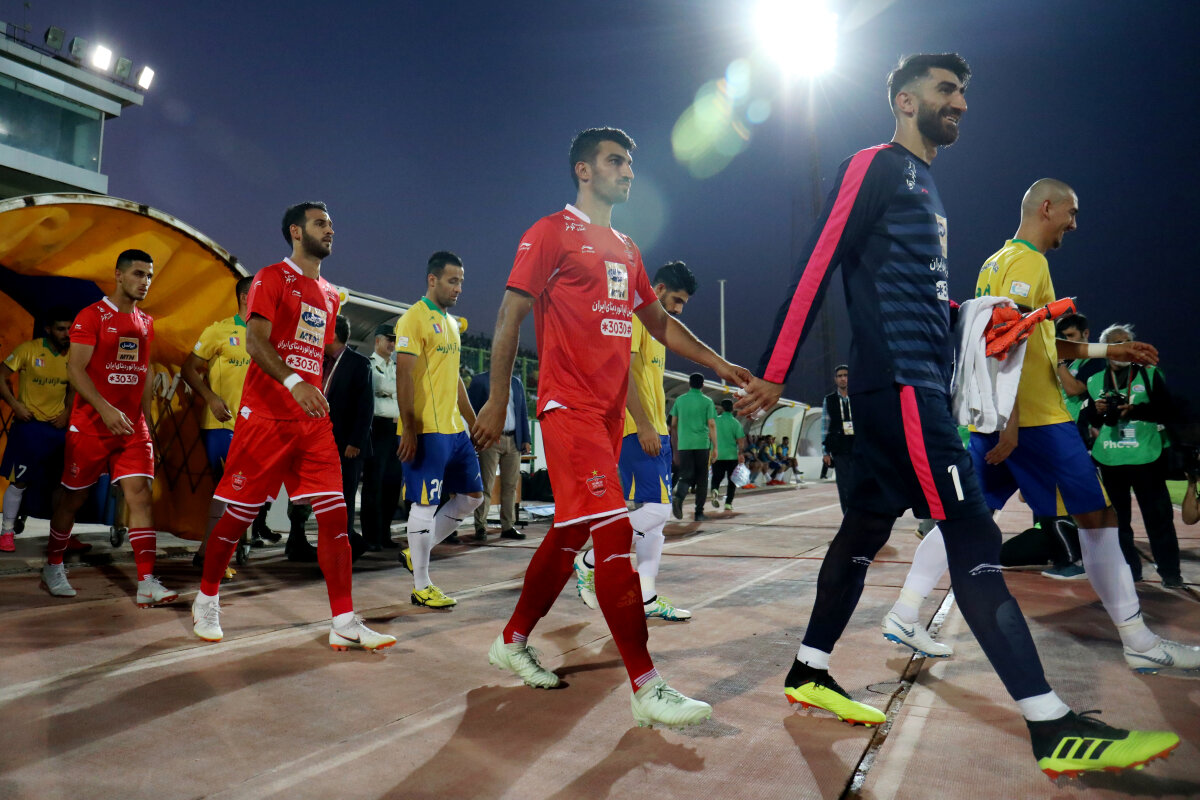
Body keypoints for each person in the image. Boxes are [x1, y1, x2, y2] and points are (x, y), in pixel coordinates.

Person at [737, 55, 1179, 778]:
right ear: (905, 101)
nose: (962, 103)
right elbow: (819, 259)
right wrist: (774, 366)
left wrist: (978, 317)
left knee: (866, 526)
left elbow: (920, 300)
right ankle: (1050, 724)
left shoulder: (929, 187)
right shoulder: (876, 165)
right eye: (947, 89)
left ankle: (809, 669)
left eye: (964, 92)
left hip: (912, 384)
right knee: (973, 532)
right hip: (904, 389)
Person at [473, 127, 749, 729]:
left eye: (630, 163)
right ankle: (647, 686)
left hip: (606, 417)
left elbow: (660, 325)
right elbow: (509, 315)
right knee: (615, 531)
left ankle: (512, 639)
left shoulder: (626, 247)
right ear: (584, 170)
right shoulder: (550, 233)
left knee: (570, 533)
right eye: (615, 161)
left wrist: (720, 364)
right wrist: (496, 400)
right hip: (566, 408)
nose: (628, 171)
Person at [883, 182, 1197, 675]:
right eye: (1071, 212)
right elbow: (1004, 342)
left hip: (1001, 422)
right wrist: (1011, 424)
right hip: (1033, 422)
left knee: (964, 520)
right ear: (1046, 208)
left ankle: (904, 612)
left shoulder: (995, 261)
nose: (1074, 223)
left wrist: (1108, 350)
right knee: (1100, 520)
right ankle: (1139, 641)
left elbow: (1038, 340)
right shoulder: (1031, 264)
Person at [189, 201, 394, 651]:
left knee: (336, 516)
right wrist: (294, 382)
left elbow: (313, 353)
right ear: (296, 232)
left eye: (332, 224)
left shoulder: (330, 294)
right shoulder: (271, 277)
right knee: (238, 517)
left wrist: (314, 389)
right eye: (320, 223)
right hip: (265, 419)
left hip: (312, 424)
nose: (330, 230)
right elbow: (256, 342)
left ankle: (343, 620)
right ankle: (206, 598)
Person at [41, 250, 177, 606]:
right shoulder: (92, 316)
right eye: (138, 274)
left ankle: (146, 581)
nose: (145, 282)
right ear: (118, 275)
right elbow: (75, 369)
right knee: (73, 498)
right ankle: (53, 565)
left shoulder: (146, 322)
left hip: (132, 429)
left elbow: (144, 372)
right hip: (91, 426)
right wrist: (104, 409)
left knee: (141, 496)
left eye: (149, 275)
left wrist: (146, 421)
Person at [573, 260, 699, 623]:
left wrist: (657, 428)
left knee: (655, 525)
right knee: (657, 511)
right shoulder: (634, 319)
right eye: (676, 300)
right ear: (658, 290)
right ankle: (589, 560)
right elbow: (621, 372)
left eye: (683, 304)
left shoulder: (659, 329)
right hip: (636, 429)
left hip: (657, 430)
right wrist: (643, 424)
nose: (678, 309)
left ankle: (647, 597)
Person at [395, 251, 485, 608]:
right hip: (427, 430)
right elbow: (403, 375)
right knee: (424, 502)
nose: (458, 288)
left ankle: (418, 549)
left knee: (473, 497)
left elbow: (456, 379)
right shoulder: (413, 319)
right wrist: (409, 427)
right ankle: (421, 585)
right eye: (452, 281)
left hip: (454, 430)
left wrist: (473, 421)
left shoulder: (450, 323)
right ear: (432, 280)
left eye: (461, 281)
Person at [181, 276, 276, 572]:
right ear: (247, 297)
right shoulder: (219, 330)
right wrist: (211, 398)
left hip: (256, 428)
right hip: (223, 424)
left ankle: (208, 554)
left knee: (242, 493)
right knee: (229, 489)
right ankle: (211, 555)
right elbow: (188, 369)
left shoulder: (268, 336)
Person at [1085, 324, 1184, 588]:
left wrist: (1135, 410)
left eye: (1126, 341)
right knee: (1118, 523)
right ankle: (1129, 572)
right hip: (1110, 458)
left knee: (1159, 519)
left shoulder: (1149, 374)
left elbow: (1168, 410)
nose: (1123, 347)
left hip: (1146, 457)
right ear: (1106, 350)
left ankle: (1171, 574)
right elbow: (1091, 419)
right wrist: (1097, 410)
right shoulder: (1094, 380)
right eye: (1116, 343)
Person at [0, 309, 74, 553]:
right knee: (19, 481)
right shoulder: (29, 349)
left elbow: (75, 388)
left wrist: (66, 413)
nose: (67, 334)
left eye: (70, 328)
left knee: (64, 485)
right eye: (61, 329)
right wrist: (15, 405)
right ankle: (6, 532)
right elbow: (1, 375)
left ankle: (61, 536)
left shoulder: (74, 354)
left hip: (57, 429)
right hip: (29, 427)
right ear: (48, 329)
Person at [323, 314, 373, 550]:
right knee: (327, 498)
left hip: (347, 446)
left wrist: (356, 442)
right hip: (323, 443)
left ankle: (344, 548)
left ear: (333, 334)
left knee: (345, 497)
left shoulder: (358, 363)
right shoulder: (320, 362)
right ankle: (333, 545)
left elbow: (365, 407)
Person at [466, 367, 531, 541]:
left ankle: (508, 526)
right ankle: (480, 526)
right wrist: (475, 436)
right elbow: (471, 410)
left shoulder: (516, 383)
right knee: (486, 484)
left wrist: (526, 439)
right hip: (490, 439)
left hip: (513, 440)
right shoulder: (480, 381)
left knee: (510, 486)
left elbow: (522, 412)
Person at [361, 323, 403, 550]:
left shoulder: (397, 367)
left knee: (392, 484)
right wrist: (390, 389)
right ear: (377, 340)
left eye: (394, 340)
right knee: (374, 483)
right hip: (376, 428)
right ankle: (371, 536)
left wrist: (387, 390)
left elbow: (402, 391)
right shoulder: (368, 364)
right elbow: (378, 388)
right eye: (388, 339)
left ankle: (384, 534)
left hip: (395, 429)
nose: (392, 344)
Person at [670, 373, 716, 522]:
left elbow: (673, 424)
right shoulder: (707, 401)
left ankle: (679, 497)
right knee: (702, 479)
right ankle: (699, 513)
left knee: (686, 475)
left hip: (684, 445)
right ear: (703, 385)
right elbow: (711, 424)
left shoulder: (680, 400)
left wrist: (678, 441)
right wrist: (715, 447)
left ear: (689, 384)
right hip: (702, 444)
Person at [821, 364, 855, 510]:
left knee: (860, 483)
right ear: (835, 379)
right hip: (839, 447)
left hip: (858, 447)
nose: (843, 379)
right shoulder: (829, 399)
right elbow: (825, 427)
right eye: (840, 376)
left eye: (846, 375)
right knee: (843, 485)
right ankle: (847, 515)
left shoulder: (857, 397)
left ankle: (860, 515)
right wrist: (825, 452)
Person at [710, 397, 745, 511]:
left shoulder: (715, 420)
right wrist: (740, 453)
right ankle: (728, 503)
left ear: (722, 408)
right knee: (732, 480)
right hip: (731, 456)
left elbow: (709, 435)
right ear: (732, 409)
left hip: (717, 454)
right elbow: (741, 440)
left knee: (716, 477)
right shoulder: (736, 423)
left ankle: (715, 490)